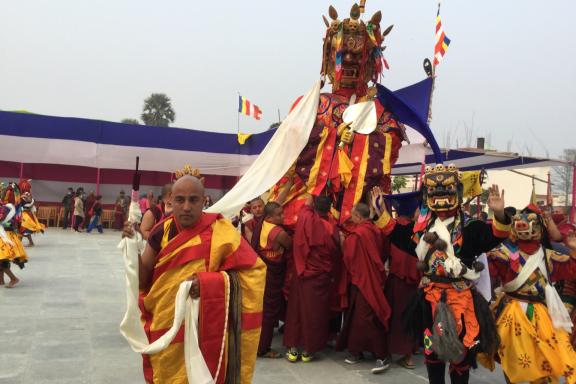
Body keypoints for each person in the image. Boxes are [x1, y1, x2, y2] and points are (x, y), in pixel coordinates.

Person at [372, 164, 509, 384]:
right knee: (432, 352)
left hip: (461, 300)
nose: (440, 195)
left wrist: (499, 213)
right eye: (434, 190)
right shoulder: (423, 229)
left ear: (457, 191)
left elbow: (494, 236)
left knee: (461, 355)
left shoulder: (471, 228)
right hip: (429, 300)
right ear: (427, 194)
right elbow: (399, 236)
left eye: (446, 189)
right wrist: (381, 214)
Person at [122, 173, 266, 383]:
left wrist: (209, 284)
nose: (187, 207)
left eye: (193, 200)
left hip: (206, 328)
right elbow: (143, 281)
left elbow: (255, 272)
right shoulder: (161, 231)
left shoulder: (221, 231)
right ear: (170, 200)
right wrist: (132, 249)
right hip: (166, 326)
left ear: (204, 200)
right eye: (180, 200)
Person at [486, 204, 576, 384]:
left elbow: (572, 270)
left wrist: (573, 250)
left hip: (541, 313)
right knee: (511, 356)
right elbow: (486, 270)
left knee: (543, 357)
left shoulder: (549, 256)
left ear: (540, 230)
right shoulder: (502, 254)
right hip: (511, 311)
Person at [284, 195, 341, 363]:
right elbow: (336, 251)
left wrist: (310, 200)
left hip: (303, 273)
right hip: (320, 275)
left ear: (314, 206)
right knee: (315, 312)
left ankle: (294, 349)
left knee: (296, 311)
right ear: (329, 208)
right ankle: (309, 350)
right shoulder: (331, 227)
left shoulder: (305, 218)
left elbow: (304, 210)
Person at [336, 203, 391, 374]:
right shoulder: (376, 230)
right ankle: (356, 351)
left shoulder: (356, 235)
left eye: (353, 215)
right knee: (357, 316)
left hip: (362, 280)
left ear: (359, 217)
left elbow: (348, 258)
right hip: (373, 276)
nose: (351, 217)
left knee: (366, 318)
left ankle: (382, 355)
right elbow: (382, 252)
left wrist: (342, 243)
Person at [250, 201, 292, 358]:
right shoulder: (278, 233)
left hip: (263, 269)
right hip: (271, 273)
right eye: (279, 215)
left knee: (265, 309)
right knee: (268, 311)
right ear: (269, 217)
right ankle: (263, 348)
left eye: (282, 213)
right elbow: (290, 245)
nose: (283, 216)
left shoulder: (262, 223)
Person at [383, 197, 421, 369]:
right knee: (410, 317)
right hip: (414, 281)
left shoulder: (393, 227)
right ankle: (409, 356)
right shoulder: (420, 231)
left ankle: (388, 351)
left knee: (393, 314)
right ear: (414, 212)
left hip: (397, 278)